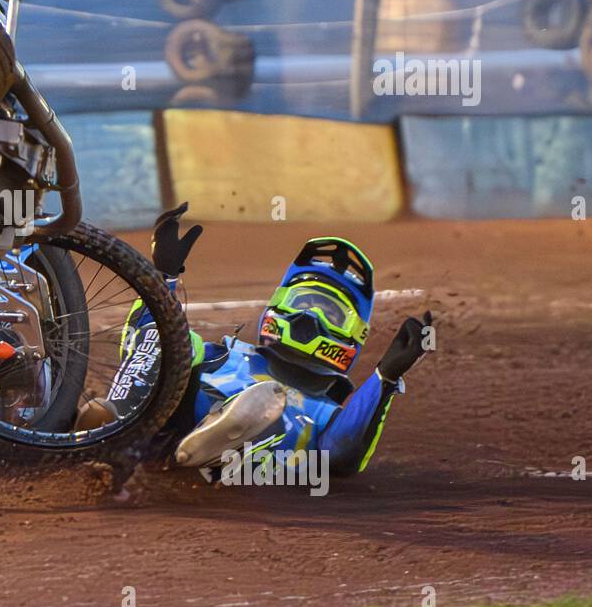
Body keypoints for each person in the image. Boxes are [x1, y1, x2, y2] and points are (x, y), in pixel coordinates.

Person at [77, 203, 433, 477]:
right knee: (178, 341)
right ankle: (112, 429)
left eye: (329, 312)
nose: (310, 316)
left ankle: (221, 433)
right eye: (302, 302)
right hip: (161, 429)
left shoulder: (330, 409)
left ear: (351, 334)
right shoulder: (227, 354)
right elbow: (137, 346)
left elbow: (342, 458)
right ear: (278, 305)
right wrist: (161, 277)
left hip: (257, 459)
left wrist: (384, 378)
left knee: (268, 400)